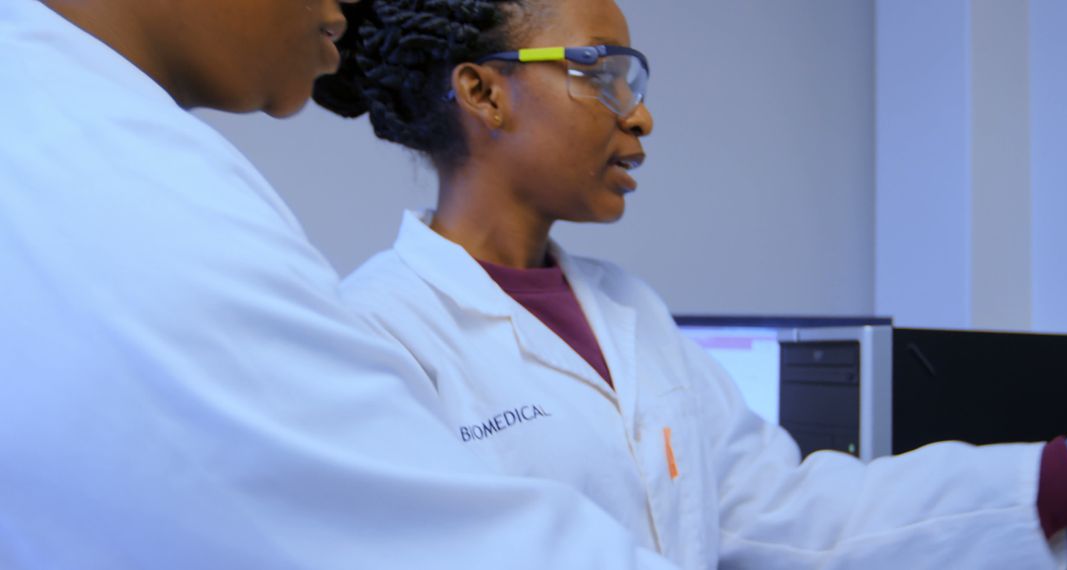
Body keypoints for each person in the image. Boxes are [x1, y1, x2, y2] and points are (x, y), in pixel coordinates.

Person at [315, 0, 1067, 568]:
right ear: (483, 94)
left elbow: (779, 512)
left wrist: (1058, 476)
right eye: (602, 74)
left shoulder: (628, 314)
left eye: (635, 81)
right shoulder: (377, 335)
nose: (640, 116)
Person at [0, 0, 685, 568]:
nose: (349, 13)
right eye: (599, 72)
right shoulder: (124, 187)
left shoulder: (83, 131)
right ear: (480, 92)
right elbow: (427, 543)